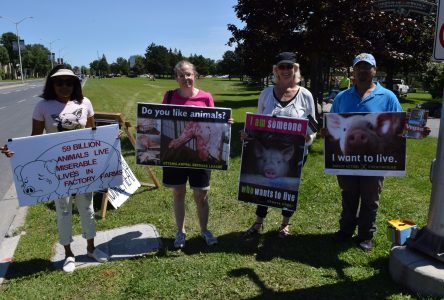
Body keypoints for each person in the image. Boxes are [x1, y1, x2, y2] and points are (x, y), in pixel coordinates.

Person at [2, 65, 108, 272]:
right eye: (59, 82)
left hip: (83, 166)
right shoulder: (42, 107)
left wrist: (110, 140)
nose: (64, 86)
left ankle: (91, 247)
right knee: (64, 210)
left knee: (87, 208)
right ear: (52, 84)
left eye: (69, 82)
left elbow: (93, 134)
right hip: (57, 169)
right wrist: (16, 151)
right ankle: (68, 253)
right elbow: (35, 139)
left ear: (75, 84)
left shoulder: (85, 103)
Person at [329, 53, 403, 251]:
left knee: (370, 198)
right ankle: (345, 230)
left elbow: (398, 127)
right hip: (347, 159)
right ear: (353, 71)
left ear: (375, 71)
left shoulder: (388, 97)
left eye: (367, 67)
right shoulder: (342, 97)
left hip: (375, 159)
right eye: (358, 67)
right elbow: (333, 125)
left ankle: (365, 235)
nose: (363, 70)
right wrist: (326, 131)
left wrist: (413, 130)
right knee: (349, 195)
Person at [242, 52, 316, 238]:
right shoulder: (266, 94)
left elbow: (313, 125)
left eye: (289, 67)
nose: (285, 70)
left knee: (289, 187)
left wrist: (309, 139)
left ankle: (285, 224)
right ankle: (259, 222)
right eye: (281, 67)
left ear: (295, 69)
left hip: (294, 154)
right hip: (267, 153)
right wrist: (247, 134)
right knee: (265, 184)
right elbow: (257, 122)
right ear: (275, 70)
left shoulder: (305, 95)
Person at [162, 60, 226, 249]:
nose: (185, 78)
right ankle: (180, 231)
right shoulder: (170, 96)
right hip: (178, 158)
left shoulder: (206, 97)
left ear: (195, 76)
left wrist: (225, 122)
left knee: (201, 195)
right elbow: (162, 120)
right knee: (178, 192)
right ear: (176, 78)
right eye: (181, 75)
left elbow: (215, 124)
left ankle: (204, 230)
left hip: (202, 156)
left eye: (188, 74)